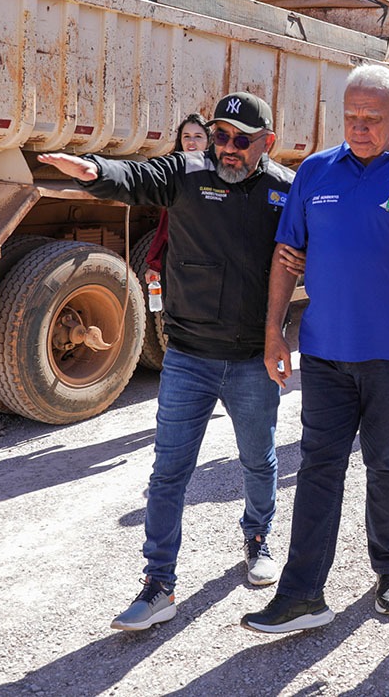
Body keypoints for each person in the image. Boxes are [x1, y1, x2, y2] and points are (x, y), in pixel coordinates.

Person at [38, 92, 294, 631]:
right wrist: (91, 169)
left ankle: (258, 538)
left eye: (240, 141)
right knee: (168, 473)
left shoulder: (282, 191)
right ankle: (159, 584)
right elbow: (133, 179)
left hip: (251, 359)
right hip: (188, 358)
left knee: (259, 460)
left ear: (265, 143)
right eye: (220, 135)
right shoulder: (185, 172)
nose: (227, 149)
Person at [240, 64, 389, 634]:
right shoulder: (315, 172)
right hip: (325, 351)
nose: (359, 127)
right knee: (318, 466)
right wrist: (272, 334)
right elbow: (288, 257)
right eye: (350, 116)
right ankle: (302, 595)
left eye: (372, 118)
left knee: (385, 463)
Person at [143, 114, 211, 289]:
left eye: (198, 137)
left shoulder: (220, 175)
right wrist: (155, 264)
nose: (191, 142)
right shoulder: (176, 175)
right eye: (186, 136)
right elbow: (167, 225)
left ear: (208, 141)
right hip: (181, 262)